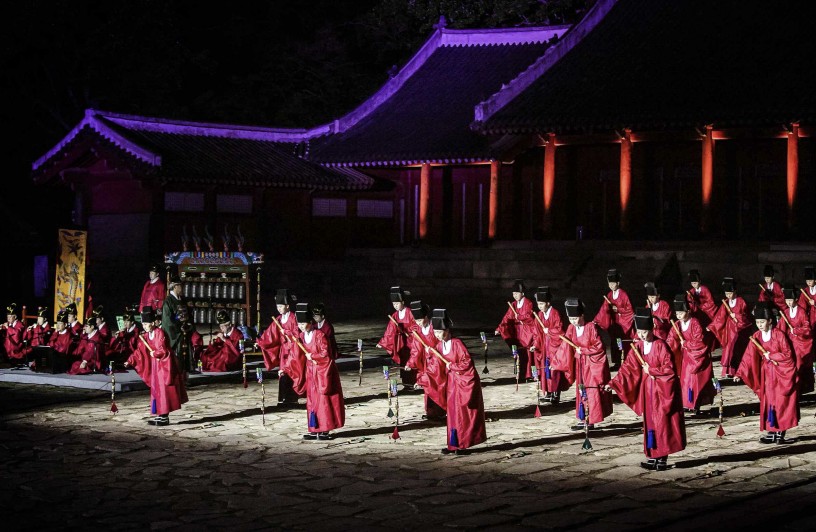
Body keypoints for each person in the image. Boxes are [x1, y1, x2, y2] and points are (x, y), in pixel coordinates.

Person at [606, 307, 686, 471]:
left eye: (645, 332)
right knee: (650, 423)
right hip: (648, 392)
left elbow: (670, 370)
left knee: (662, 423)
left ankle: (662, 456)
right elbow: (628, 368)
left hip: (661, 391)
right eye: (639, 332)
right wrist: (613, 383)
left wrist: (652, 370)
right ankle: (652, 455)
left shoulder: (661, 345)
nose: (642, 335)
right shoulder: (638, 347)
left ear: (652, 329)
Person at [736, 303, 799, 444]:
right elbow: (748, 356)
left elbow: (788, 355)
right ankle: (772, 431)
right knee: (769, 402)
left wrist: (772, 355)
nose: (759, 325)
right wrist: (739, 372)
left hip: (780, 374)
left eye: (762, 322)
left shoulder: (779, 335)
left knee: (781, 402)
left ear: (770, 321)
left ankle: (780, 432)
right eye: (757, 322)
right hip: (767, 375)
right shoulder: (756, 336)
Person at [432, 309, 486, 455]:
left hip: (463, 382)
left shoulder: (457, 343)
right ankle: (453, 444)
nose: (437, 335)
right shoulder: (439, 346)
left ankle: (463, 444)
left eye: (439, 332)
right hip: (451, 384)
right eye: (435, 332)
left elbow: (467, 363)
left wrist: (453, 366)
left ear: (447, 330)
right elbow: (436, 365)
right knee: (452, 414)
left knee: (463, 414)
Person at [124, 306, 188, 426]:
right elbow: (140, 350)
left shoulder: (160, 333)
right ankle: (159, 413)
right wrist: (130, 360)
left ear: (153, 323)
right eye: (143, 324)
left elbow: (163, 349)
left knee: (163, 390)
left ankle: (164, 416)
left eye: (146, 324)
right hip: (155, 366)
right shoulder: (147, 335)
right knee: (156, 390)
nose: (144, 326)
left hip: (164, 365)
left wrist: (156, 353)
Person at [557, 298, 613, 430]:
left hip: (592, 366)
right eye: (571, 319)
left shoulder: (591, 327)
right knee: (581, 389)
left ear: (582, 315)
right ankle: (583, 418)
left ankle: (590, 419)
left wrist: (584, 350)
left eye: (575, 318)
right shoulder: (571, 328)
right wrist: (556, 361)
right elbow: (565, 346)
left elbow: (599, 347)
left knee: (591, 391)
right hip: (580, 365)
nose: (573, 321)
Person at [296, 303, 345, 440]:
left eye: (303, 323)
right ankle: (314, 428)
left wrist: (312, 356)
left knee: (323, 400)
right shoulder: (301, 336)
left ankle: (325, 429)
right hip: (311, 372)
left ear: (310, 322)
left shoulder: (320, 335)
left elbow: (326, 354)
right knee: (312, 400)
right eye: (299, 324)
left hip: (323, 371)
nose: (301, 326)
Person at [667, 294, 715, 414]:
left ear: (688, 311)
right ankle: (687, 403)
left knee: (695, 381)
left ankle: (695, 404)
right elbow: (671, 339)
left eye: (681, 313)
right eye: (677, 313)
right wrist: (666, 348)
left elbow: (700, 341)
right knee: (685, 380)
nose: (679, 315)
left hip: (697, 356)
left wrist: (686, 343)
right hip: (686, 357)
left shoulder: (695, 323)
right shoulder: (677, 324)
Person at [256, 289, 303, 404]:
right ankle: (283, 398)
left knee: (293, 372)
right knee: (282, 372)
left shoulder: (294, 318)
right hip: (284, 351)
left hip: (294, 350)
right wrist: (261, 342)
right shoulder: (279, 319)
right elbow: (270, 333)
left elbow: (298, 334)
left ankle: (292, 398)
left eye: (281, 306)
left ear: (287, 306)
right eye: (277, 306)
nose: (279, 308)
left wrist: (286, 332)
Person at [405, 300, 445, 420]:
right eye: (416, 321)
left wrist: (433, 350)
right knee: (428, 387)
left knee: (438, 385)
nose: (418, 323)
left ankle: (441, 410)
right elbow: (416, 349)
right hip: (426, 362)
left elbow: (442, 343)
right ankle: (431, 412)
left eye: (420, 320)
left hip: (438, 361)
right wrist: (410, 363)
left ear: (426, 317)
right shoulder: (418, 331)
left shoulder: (435, 328)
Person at [529, 286, 569, 405]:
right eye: (538, 304)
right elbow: (537, 333)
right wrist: (535, 344)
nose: (540, 306)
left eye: (542, 304)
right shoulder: (539, 315)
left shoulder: (555, 313)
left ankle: (556, 394)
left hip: (555, 347)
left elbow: (560, 330)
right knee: (546, 369)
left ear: (548, 303)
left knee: (555, 370)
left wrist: (550, 331)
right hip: (545, 347)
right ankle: (548, 392)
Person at [708, 277, 753, 379]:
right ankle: (729, 371)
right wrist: (712, 326)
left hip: (739, 330)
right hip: (730, 329)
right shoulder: (726, 302)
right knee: (729, 348)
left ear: (735, 291)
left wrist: (736, 316)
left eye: (730, 293)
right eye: (726, 293)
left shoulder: (741, 301)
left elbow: (746, 316)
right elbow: (720, 316)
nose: (728, 295)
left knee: (737, 348)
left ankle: (739, 370)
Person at [494, 279, 536, 380]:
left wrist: (520, 317)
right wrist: (499, 328)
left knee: (527, 351)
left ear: (522, 293)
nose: (515, 296)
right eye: (513, 294)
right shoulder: (513, 304)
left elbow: (530, 316)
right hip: (517, 331)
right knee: (519, 351)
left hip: (527, 330)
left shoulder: (528, 303)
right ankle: (521, 373)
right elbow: (507, 317)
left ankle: (530, 373)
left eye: (517, 293)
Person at [593, 269, 635, 369]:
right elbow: (603, 309)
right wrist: (596, 320)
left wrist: (619, 309)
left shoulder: (624, 295)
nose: (611, 285)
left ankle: (624, 362)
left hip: (623, 324)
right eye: (610, 283)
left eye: (613, 283)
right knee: (615, 341)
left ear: (618, 283)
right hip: (614, 324)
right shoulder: (609, 295)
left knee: (622, 342)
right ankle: (617, 362)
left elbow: (630, 310)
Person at [778, 285, 814, 395]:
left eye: (791, 300)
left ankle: (801, 387)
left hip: (800, 342)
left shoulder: (801, 312)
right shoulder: (785, 312)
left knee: (799, 364)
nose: (789, 303)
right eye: (787, 300)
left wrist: (797, 331)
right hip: (790, 341)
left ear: (796, 299)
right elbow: (780, 328)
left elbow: (807, 328)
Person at [377, 286, 416, 387]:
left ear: (403, 302)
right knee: (403, 360)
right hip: (402, 342)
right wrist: (383, 342)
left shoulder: (410, 312)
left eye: (397, 304)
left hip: (412, 341)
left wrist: (408, 330)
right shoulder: (395, 315)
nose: (395, 306)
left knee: (411, 360)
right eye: (394, 304)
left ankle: (414, 381)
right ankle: (406, 382)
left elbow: (416, 326)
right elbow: (390, 330)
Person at [687, 269, 719, 350]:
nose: (694, 285)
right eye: (692, 283)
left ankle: (710, 347)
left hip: (707, 313)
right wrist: (692, 304)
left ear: (699, 281)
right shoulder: (691, 291)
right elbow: (689, 303)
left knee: (708, 330)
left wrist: (701, 306)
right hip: (697, 313)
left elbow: (711, 302)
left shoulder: (705, 289)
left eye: (695, 283)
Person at [161, 276, 184, 360]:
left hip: (183, 331)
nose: (182, 288)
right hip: (174, 333)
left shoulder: (181, 300)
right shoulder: (168, 301)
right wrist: (178, 329)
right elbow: (168, 320)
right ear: (175, 287)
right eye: (180, 285)